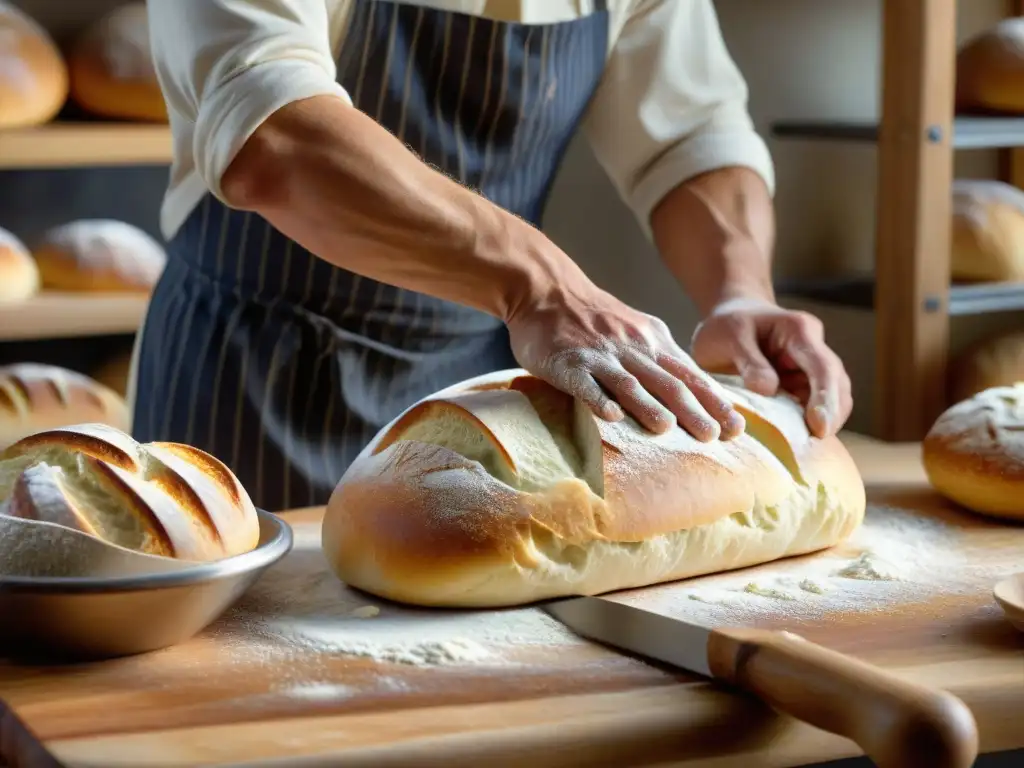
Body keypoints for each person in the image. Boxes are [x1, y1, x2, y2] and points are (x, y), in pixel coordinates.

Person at [131, 0, 852, 512]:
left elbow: (689, 133)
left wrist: (738, 290)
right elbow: (275, 135)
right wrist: (542, 288)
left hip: (484, 390)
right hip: (253, 383)